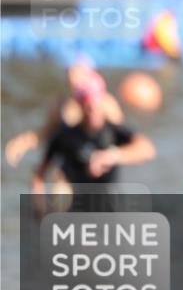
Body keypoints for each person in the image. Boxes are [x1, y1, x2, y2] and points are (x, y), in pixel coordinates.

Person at [31, 71, 156, 210]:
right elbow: (40, 172)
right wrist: (39, 205)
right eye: (88, 106)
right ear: (80, 105)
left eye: (96, 104)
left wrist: (112, 156)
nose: (93, 110)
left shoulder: (113, 130)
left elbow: (146, 149)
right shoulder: (66, 135)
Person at [5, 57, 124, 167]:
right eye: (71, 73)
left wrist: (111, 155)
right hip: (68, 164)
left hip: (95, 163)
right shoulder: (62, 105)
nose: (73, 77)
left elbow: (121, 136)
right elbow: (45, 133)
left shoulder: (106, 103)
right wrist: (21, 143)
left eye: (78, 73)